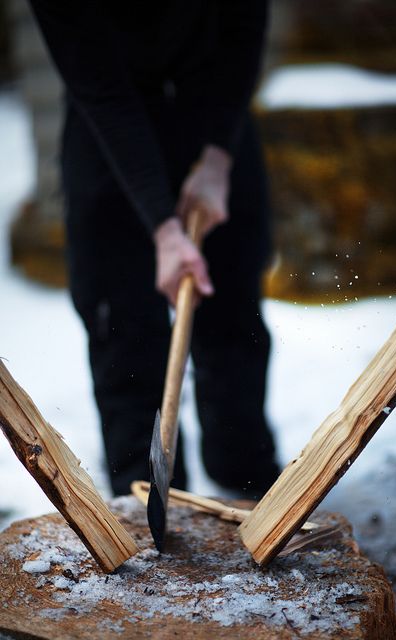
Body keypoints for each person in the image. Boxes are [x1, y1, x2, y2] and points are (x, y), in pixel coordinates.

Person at [29, 1, 280, 497]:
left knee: (233, 312)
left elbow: (244, 25)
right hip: (109, 129)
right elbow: (97, 83)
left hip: (214, 114)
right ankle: (145, 498)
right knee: (122, 327)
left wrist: (217, 159)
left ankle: (248, 478)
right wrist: (164, 229)